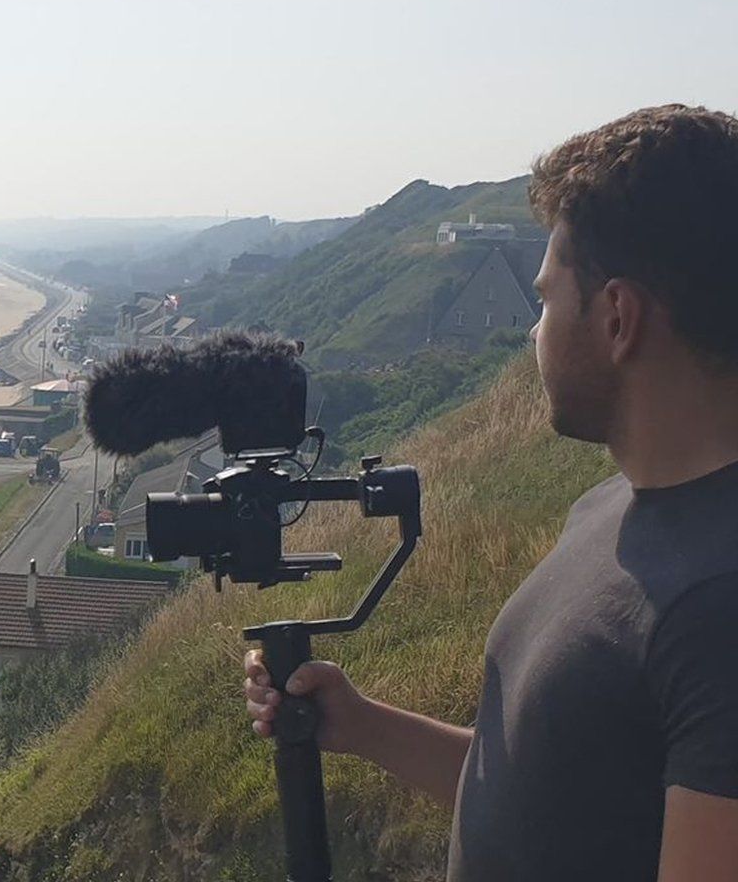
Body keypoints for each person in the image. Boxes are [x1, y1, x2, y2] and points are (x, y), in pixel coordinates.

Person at [241, 105, 738, 882]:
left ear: (617, 319)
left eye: (546, 301)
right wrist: (364, 725)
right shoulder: (611, 508)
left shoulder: (717, 606)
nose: (533, 332)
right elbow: (546, 795)